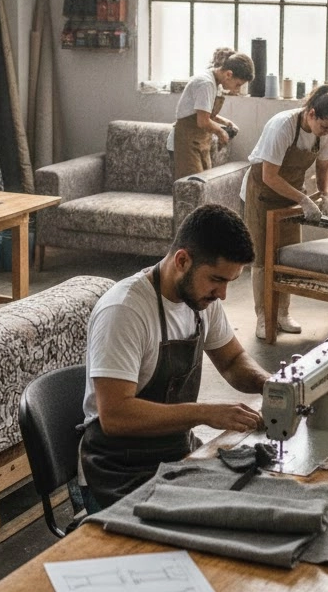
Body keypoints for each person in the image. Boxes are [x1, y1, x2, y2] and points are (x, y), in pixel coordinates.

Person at [79, 203, 270, 510]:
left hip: (172, 454)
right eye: (217, 280)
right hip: (118, 470)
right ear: (183, 260)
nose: (222, 294)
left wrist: (272, 385)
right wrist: (205, 412)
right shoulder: (125, 311)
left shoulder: (200, 300)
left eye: (228, 283)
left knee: (257, 494)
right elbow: (115, 416)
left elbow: (233, 362)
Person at [241, 83, 328, 341]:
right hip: (262, 193)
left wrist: (323, 194)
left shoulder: (326, 131)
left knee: (285, 255)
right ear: (311, 114)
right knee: (264, 261)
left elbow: (323, 167)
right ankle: (263, 317)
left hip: (291, 196)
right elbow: (269, 175)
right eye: (325, 126)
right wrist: (303, 199)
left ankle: (282, 313)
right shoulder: (283, 126)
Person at [168, 47, 255, 180]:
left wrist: (226, 122)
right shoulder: (206, 83)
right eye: (238, 84)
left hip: (198, 141)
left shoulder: (215, 81)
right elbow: (202, 121)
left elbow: (204, 112)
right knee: (192, 187)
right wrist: (221, 132)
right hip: (185, 142)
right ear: (228, 74)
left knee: (204, 186)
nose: (237, 89)